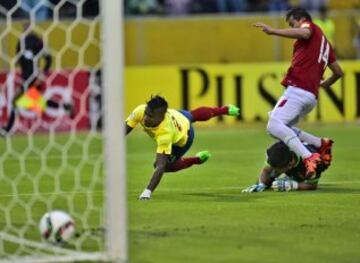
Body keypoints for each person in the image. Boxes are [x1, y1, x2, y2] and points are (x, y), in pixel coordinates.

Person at [253, 8, 343, 179]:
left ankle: (310, 157)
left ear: (301, 19)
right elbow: (338, 72)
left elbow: (305, 33)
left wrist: (273, 31)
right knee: (281, 128)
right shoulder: (326, 44)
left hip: (298, 90)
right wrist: (323, 84)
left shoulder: (310, 27)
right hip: (310, 95)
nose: (292, 28)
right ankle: (320, 144)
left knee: (273, 125)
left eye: (292, 23)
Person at [125, 95, 240, 200]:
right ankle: (224, 109)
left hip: (184, 138)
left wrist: (147, 192)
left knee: (161, 165)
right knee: (192, 115)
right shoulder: (140, 110)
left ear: (160, 117)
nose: (145, 118)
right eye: (146, 113)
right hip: (178, 115)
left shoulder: (165, 134)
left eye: (150, 116)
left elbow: (160, 167)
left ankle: (195, 160)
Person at [0, 24, 72, 135]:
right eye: (25, 25)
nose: (26, 27)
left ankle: (7, 129)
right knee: (40, 102)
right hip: (26, 78)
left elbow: (48, 58)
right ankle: (65, 107)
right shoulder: (21, 42)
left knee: (15, 102)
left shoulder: (37, 41)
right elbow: (19, 59)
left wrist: (43, 74)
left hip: (34, 78)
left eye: (28, 25)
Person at [242, 139, 332, 192]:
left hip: (320, 157)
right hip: (294, 153)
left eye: (279, 169)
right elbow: (266, 170)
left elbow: (312, 186)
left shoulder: (313, 164)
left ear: (290, 164)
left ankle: (291, 179)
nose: (274, 170)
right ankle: (283, 179)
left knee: (299, 178)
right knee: (268, 180)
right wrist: (261, 184)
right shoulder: (275, 150)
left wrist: (293, 185)